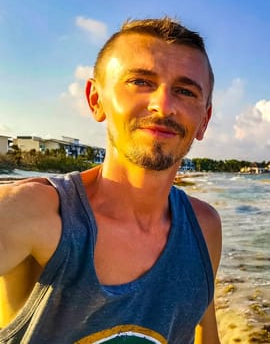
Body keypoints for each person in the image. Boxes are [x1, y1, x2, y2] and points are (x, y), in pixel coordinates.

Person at [0, 17, 221, 343]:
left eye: (185, 91)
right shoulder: (35, 213)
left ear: (204, 120)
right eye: (141, 82)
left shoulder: (203, 228)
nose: (163, 105)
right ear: (96, 99)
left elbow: (205, 332)